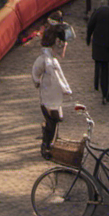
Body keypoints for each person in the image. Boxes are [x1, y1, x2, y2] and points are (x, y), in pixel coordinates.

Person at [31, 23, 78, 158]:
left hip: (54, 95)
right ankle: (46, 146)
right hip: (47, 96)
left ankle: (50, 143)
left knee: (56, 120)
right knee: (52, 121)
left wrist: (65, 88)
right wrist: (38, 83)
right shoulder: (44, 60)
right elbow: (36, 72)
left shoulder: (51, 60)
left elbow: (58, 76)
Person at [85, 0, 109, 104]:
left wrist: (88, 38)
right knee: (108, 68)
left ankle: (101, 90)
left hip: (99, 44)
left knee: (100, 66)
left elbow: (90, 26)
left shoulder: (98, 12)